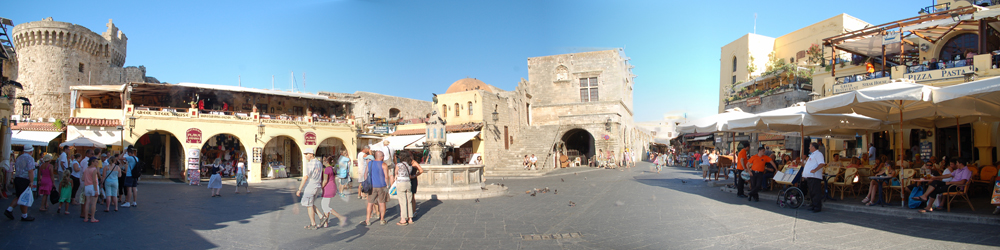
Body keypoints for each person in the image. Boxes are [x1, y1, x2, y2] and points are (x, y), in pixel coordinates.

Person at [295, 148, 325, 229]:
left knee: (308, 205)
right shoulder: (319, 163)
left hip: (311, 186)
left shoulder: (310, 164)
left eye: (306, 154)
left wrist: (299, 189)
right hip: (317, 185)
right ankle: (322, 217)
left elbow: (305, 177)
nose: (305, 156)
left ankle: (313, 224)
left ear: (311, 154)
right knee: (310, 203)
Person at [5, 146, 36, 221]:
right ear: (31, 151)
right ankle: (24, 215)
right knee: (24, 197)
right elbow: (30, 171)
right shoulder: (30, 158)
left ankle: (9, 209)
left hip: (17, 178)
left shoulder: (19, 157)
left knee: (19, 196)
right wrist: (31, 181)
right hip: (24, 180)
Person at [363, 150, 390, 226]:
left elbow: (365, 174)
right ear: (381, 157)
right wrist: (387, 185)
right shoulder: (384, 165)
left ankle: (368, 220)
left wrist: (366, 183)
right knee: (382, 203)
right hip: (382, 186)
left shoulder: (370, 163)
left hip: (372, 186)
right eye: (383, 156)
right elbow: (386, 176)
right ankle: (382, 219)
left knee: (370, 203)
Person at [319, 155, 347, 228]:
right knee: (325, 205)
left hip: (328, 188)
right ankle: (326, 223)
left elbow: (325, 180)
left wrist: (320, 187)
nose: (323, 162)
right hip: (332, 186)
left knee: (324, 205)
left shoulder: (327, 169)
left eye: (324, 160)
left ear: (326, 161)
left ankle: (340, 217)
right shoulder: (332, 168)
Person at [802, 143, 827, 213]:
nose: (809, 148)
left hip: (814, 176)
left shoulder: (818, 154)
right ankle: (813, 205)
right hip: (810, 176)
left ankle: (817, 207)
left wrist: (815, 170)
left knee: (816, 192)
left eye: (810, 146)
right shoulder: (813, 154)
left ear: (813, 147)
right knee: (812, 192)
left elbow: (822, 163)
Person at [393, 152, 415, 226]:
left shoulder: (399, 165)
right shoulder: (410, 165)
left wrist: (395, 175)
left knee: (402, 201)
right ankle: (410, 218)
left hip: (401, 183)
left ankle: (403, 219)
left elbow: (396, 172)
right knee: (409, 201)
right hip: (408, 183)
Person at [82, 158, 100, 223]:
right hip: (93, 186)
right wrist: (96, 190)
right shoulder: (94, 170)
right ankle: (92, 218)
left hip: (87, 186)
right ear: (92, 162)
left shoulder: (86, 169)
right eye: (96, 161)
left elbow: (82, 178)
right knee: (93, 203)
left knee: (87, 202)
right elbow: (94, 181)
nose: (97, 163)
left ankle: (86, 217)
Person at [407, 152, 423, 218]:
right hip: (410, 180)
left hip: (412, 180)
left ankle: (413, 211)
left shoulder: (413, 162)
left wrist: (414, 175)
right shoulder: (410, 162)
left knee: (412, 196)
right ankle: (411, 211)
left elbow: (421, 170)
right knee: (410, 196)